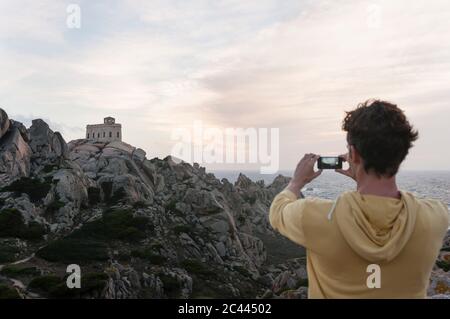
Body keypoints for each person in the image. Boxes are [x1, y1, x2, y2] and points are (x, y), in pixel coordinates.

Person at [269, 99, 449, 298]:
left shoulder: (313, 215)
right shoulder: (435, 217)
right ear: (402, 153)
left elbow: (277, 211)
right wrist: (363, 177)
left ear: (353, 154)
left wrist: (296, 183)